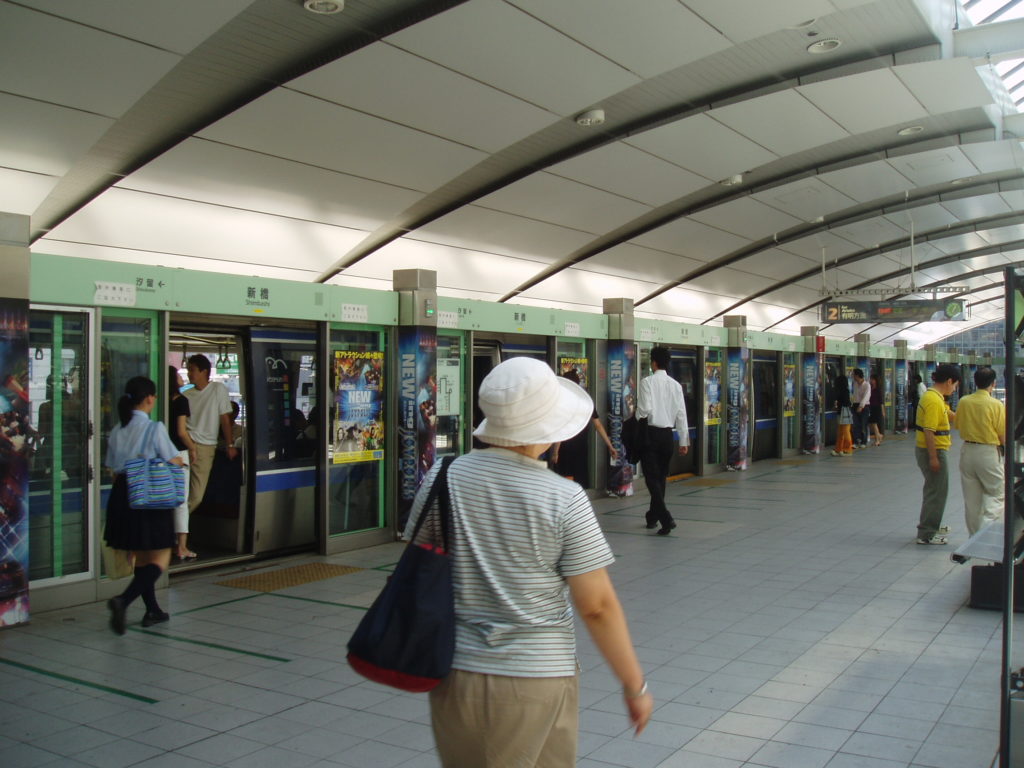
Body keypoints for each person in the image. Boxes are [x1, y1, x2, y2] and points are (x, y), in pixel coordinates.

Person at [406, 357, 651, 766]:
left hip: (455, 669)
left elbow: (420, 567)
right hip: (539, 676)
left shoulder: (441, 479)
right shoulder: (563, 499)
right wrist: (634, 686)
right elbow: (597, 606)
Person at [103, 376, 183, 633]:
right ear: (149, 398)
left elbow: (112, 470)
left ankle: (153, 610)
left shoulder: (117, 430)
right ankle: (122, 601)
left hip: (122, 496)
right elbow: (173, 459)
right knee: (161, 556)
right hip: (149, 497)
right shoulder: (154, 428)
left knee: (142, 557)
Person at [637, 347, 689, 535]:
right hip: (668, 435)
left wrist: (635, 417)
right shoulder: (676, 385)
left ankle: (666, 519)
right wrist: (683, 440)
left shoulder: (647, 382)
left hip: (650, 435)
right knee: (660, 478)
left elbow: (644, 410)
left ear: (654, 363)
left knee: (652, 479)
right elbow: (681, 414)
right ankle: (652, 516)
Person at [183, 354, 237, 513]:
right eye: (188, 370)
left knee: (195, 496)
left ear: (204, 371)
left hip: (204, 448)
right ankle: (178, 529)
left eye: (192, 370)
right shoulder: (186, 395)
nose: (189, 374)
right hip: (186, 444)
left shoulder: (218, 389)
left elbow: (225, 420)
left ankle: (177, 526)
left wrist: (229, 444)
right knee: (187, 493)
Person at [955, 367, 1005, 536]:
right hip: (988, 452)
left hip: (967, 451)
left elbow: (958, 424)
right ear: (993, 383)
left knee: (972, 500)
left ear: (975, 382)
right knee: (997, 493)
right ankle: (986, 530)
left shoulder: (964, 401)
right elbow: (1002, 433)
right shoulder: (996, 404)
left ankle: (973, 539)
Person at [915, 364, 960, 545]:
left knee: (934, 488)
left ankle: (932, 523)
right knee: (937, 491)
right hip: (933, 451)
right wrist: (933, 457)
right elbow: (929, 431)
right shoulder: (933, 400)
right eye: (955, 385)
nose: (955, 388)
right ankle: (927, 533)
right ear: (949, 381)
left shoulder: (934, 397)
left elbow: (948, 414)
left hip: (931, 450)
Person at [551, 370, 618, 485]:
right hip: (582, 446)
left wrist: (555, 452)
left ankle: (569, 501)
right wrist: (610, 446)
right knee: (579, 477)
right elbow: (598, 425)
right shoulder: (586, 401)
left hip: (565, 447)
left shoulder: (563, 402)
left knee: (566, 477)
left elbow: (563, 429)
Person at [168, 366, 198, 561]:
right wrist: (193, 448)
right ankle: (182, 547)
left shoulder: (160, 400)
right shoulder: (182, 401)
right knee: (181, 500)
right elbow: (181, 432)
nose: (182, 377)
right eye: (178, 374)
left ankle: (166, 543)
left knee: (164, 499)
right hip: (179, 453)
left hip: (162, 453)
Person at [831, 372, 853, 456]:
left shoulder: (844, 391)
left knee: (846, 431)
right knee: (840, 432)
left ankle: (848, 449)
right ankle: (838, 449)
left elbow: (845, 402)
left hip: (845, 413)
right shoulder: (843, 390)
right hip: (841, 412)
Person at [851, 368, 870, 449]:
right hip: (855, 405)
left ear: (857, 375)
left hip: (864, 406)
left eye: (853, 374)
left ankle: (864, 441)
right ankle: (856, 441)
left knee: (863, 424)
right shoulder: (854, 384)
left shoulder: (867, 385)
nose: (852, 376)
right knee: (855, 424)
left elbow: (866, 396)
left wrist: (861, 406)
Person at [868, 373, 884, 447]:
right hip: (871, 408)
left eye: (873, 379)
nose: (871, 380)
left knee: (874, 424)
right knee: (873, 424)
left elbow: (881, 402)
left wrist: (883, 411)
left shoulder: (878, 390)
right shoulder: (870, 388)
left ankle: (877, 440)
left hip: (876, 408)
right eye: (871, 379)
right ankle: (879, 436)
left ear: (876, 380)